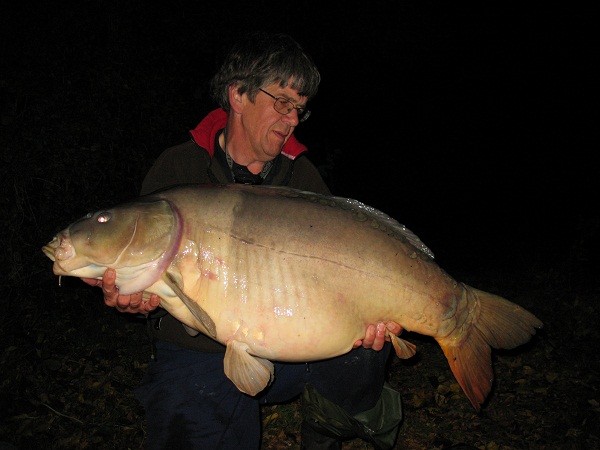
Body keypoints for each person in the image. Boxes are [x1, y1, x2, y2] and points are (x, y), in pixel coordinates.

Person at [84, 32, 403, 449]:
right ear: (238, 95)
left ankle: (326, 424)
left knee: (364, 355)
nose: (292, 120)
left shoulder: (302, 177)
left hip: (294, 349)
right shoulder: (179, 167)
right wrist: (140, 300)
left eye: (299, 109)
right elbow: (149, 275)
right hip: (200, 353)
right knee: (191, 419)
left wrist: (369, 318)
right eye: (282, 103)